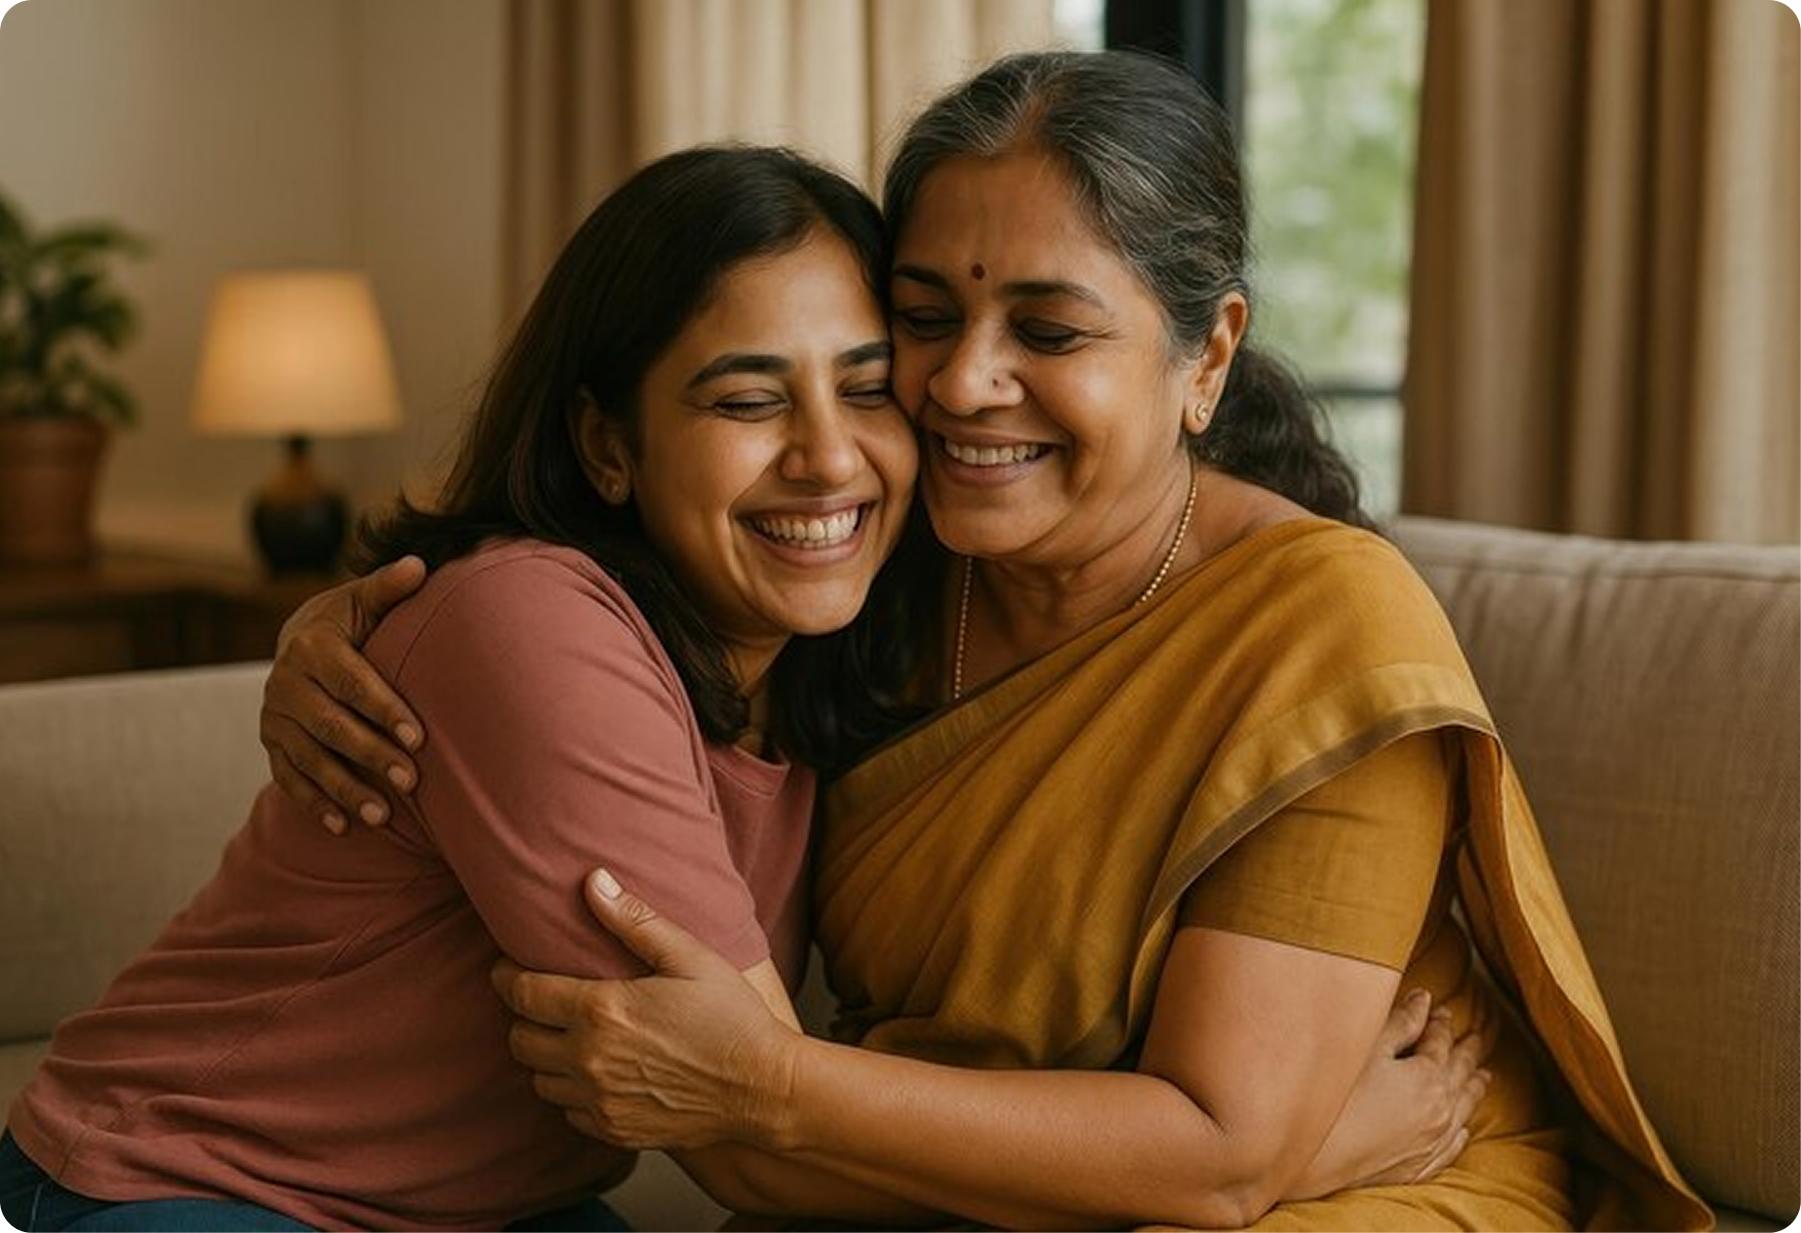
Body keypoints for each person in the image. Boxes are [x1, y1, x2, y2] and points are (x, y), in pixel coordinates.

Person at [258, 52, 1709, 1232]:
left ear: (1203, 356)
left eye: (1048, 330)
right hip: (991, 1182)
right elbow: (581, 620)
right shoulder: (885, 561)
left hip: (1381, 1168)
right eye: (924, 317)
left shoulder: (1322, 626)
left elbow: (1219, 1155)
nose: (962, 382)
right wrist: (346, 631)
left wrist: (764, 1083)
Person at [2, 143, 1473, 1233]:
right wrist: (1289, 1154)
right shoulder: (536, 627)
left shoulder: (866, 613)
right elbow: (755, 1141)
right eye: (746, 398)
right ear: (605, 444)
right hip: (192, 1189)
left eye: (863, 385)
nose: (829, 459)